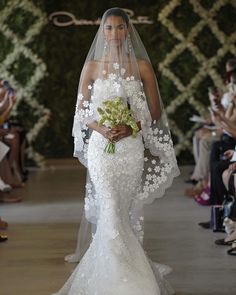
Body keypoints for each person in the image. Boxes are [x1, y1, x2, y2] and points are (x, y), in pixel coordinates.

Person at [53, 8, 179, 295]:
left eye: (119, 27)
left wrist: (130, 127)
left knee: (121, 211)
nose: (114, 33)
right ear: (102, 32)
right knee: (109, 206)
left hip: (130, 148)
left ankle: (126, 272)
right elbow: (81, 111)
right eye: (108, 28)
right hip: (101, 148)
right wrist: (101, 128)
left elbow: (155, 111)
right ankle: (119, 281)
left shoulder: (142, 66)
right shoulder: (92, 67)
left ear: (128, 30)